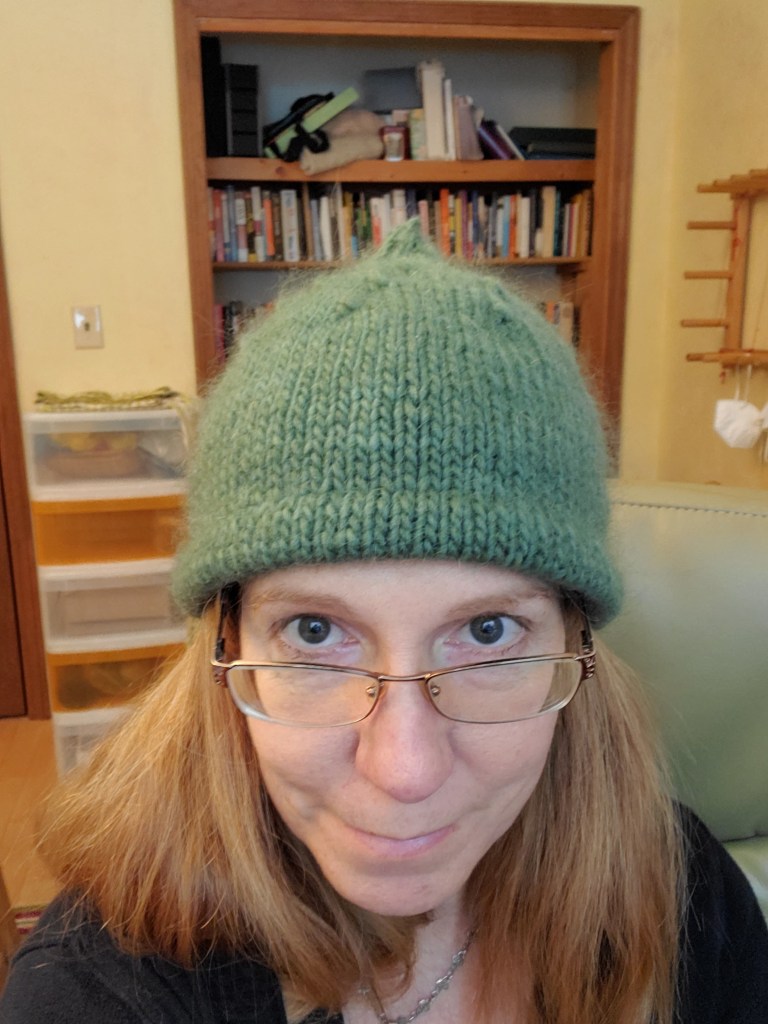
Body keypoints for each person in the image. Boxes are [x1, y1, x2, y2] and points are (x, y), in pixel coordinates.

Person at [2, 221, 766, 1024]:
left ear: (576, 644)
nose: (405, 771)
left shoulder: (682, 897)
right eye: (313, 632)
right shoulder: (103, 987)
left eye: (489, 632)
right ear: (224, 645)